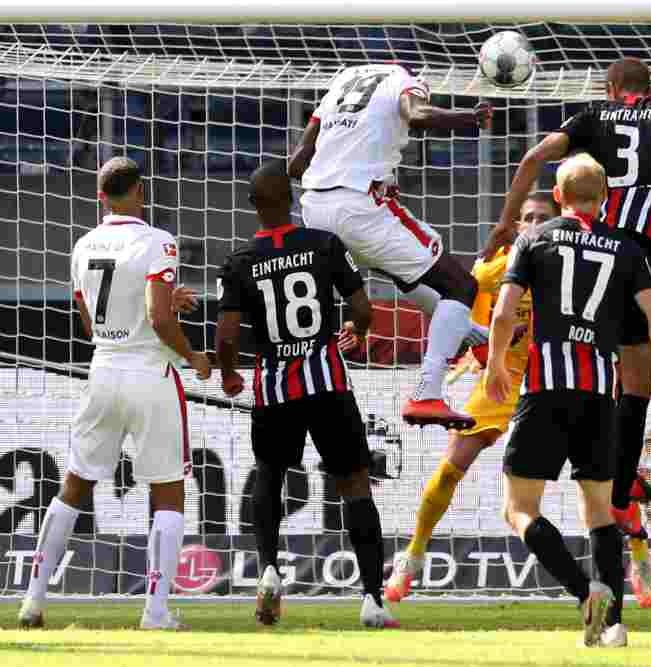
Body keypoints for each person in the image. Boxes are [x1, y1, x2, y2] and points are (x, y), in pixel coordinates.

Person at [482, 57, 651, 605]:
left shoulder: (590, 116)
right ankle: (621, 482)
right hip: (636, 257)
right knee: (636, 382)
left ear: (609, 88)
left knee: (569, 343)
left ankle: (603, 535)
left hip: (575, 258)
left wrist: (507, 221)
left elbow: (535, 156)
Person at [485, 153, 651, 647]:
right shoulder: (626, 249)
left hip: (546, 390)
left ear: (557, 197)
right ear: (606, 199)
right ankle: (614, 626)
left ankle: (581, 590)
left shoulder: (533, 239)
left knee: (519, 509)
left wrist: (494, 366)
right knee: (599, 509)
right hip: (597, 393)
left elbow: (505, 312)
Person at [18, 157, 211, 630]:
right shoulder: (157, 242)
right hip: (149, 372)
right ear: (141, 190)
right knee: (168, 491)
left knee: (75, 485)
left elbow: (88, 317)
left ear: (100, 195)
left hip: (103, 369)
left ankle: (32, 601)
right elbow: (160, 319)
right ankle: (156, 611)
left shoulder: (83, 245)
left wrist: (156, 310)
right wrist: (194, 356)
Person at [215, 161, 396, 629]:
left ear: (253, 205)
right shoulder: (323, 244)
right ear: (292, 199)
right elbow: (361, 308)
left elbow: (228, 335)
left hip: (274, 386)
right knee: (355, 482)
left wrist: (232, 375)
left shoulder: (239, 261)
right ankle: (373, 600)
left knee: (269, 475)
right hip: (327, 382)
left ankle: (270, 571)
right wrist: (355, 329)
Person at [288, 63, 493, 430]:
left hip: (314, 209)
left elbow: (296, 163)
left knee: (409, 274)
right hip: (361, 205)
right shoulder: (404, 80)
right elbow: (416, 113)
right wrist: (467, 117)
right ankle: (428, 393)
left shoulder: (342, 82)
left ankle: (479, 340)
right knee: (460, 286)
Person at [384, 192, 558, 600]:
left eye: (542, 218)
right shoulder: (490, 273)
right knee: (450, 469)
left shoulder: (567, 268)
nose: (533, 224)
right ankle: (412, 558)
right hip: (500, 382)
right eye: (527, 217)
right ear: (515, 227)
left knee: (603, 467)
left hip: (551, 382)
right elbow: (466, 327)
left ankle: (638, 556)